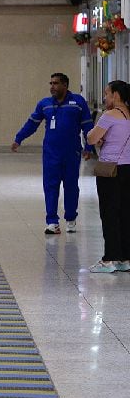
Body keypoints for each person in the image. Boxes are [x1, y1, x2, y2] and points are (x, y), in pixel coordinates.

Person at [12, 72, 94, 234]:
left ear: (65, 85)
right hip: (51, 153)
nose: (52, 87)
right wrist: (19, 138)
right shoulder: (45, 104)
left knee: (71, 186)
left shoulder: (77, 102)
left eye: (55, 83)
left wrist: (89, 147)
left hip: (71, 153)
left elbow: (87, 126)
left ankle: (70, 219)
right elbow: (32, 123)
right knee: (50, 187)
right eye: (50, 83)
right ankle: (52, 222)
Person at [85, 80, 130, 273]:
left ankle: (110, 258)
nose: (105, 98)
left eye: (107, 94)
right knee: (125, 213)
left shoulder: (109, 115)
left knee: (109, 213)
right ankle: (125, 258)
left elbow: (92, 138)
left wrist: (95, 136)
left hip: (111, 170)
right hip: (128, 168)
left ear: (116, 96)